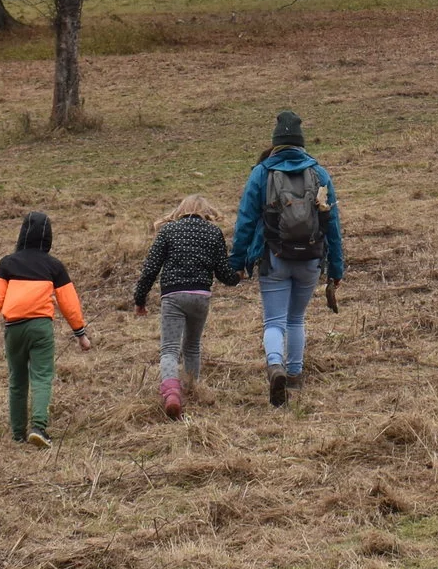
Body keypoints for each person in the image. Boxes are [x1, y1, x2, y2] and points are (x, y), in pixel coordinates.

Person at [231, 110, 345, 407]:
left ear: (276, 142)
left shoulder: (261, 173)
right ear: (301, 142)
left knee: (274, 321)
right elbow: (332, 224)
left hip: (274, 257)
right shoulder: (319, 173)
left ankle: (275, 366)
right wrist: (336, 267)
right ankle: (294, 376)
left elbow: (245, 221)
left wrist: (237, 263)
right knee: (296, 319)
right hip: (311, 259)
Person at [0, 210, 91, 446]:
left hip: (13, 329)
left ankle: (18, 433)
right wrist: (81, 334)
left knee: (17, 380)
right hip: (40, 328)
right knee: (42, 377)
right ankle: (38, 427)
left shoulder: (7, 263)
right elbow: (69, 303)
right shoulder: (53, 266)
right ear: (48, 237)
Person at [135, 195, 239, 420]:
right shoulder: (213, 232)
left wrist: (140, 299)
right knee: (192, 347)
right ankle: (191, 390)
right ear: (206, 211)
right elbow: (224, 273)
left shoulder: (168, 231)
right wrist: (238, 275)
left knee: (169, 349)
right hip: (201, 297)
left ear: (180, 209)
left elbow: (150, 268)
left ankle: (171, 393)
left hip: (173, 296)